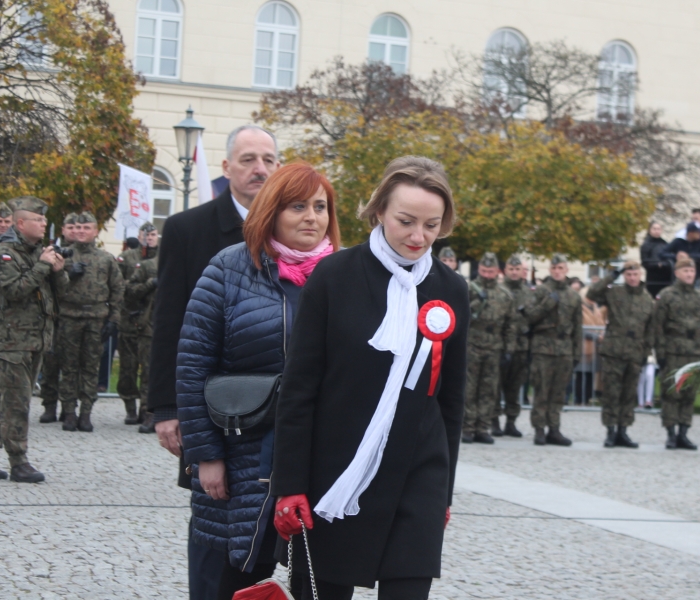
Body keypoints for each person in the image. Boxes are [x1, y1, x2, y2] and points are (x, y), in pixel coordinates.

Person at [271, 156, 468, 600]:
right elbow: (299, 390)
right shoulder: (333, 275)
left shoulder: (452, 289)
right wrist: (289, 485)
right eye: (406, 221)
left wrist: (445, 492)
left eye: (432, 225)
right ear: (379, 210)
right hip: (335, 471)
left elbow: (451, 400)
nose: (418, 237)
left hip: (418, 472)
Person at [177, 163, 338, 600]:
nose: (312, 217)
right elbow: (192, 367)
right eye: (297, 207)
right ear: (271, 211)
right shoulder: (229, 268)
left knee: (314, 582)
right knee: (236, 580)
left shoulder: (343, 276)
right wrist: (206, 455)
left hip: (317, 460)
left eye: (320, 207)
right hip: (242, 458)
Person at [147, 124, 280, 599]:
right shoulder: (188, 228)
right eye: (248, 159)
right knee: (213, 530)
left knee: (264, 541)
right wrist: (166, 408)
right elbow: (169, 322)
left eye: (268, 159)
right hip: (213, 407)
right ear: (226, 168)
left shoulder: (296, 227)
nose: (259, 169)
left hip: (276, 416)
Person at [0, 197, 68, 482]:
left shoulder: (40, 252)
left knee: (5, 401)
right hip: (11, 341)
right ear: (20, 223)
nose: (43, 224)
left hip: (36, 339)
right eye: (37, 220)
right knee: (16, 403)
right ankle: (18, 461)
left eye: (43, 220)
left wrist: (57, 270)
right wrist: (41, 266)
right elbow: (14, 290)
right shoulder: (5, 253)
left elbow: (62, 292)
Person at [56, 211, 124, 433]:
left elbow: (117, 289)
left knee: (91, 366)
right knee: (69, 366)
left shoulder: (105, 258)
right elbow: (52, 287)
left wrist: (113, 319)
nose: (81, 231)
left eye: (86, 228)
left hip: (96, 319)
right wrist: (68, 274)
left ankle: (86, 412)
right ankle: (68, 412)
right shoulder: (63, 257)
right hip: (69, 316)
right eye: (78, 227)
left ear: (95, 231)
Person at [586, 261, 653, 448]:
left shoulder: (647, 299)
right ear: (624, 276)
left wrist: (646, 353)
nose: (632, 278)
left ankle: (623, 431)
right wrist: (612, 275)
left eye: (635, 274)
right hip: (614, 351)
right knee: (611, 393)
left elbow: (650, 329)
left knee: (628, 394)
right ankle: (610, 431)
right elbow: (592, 293)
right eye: (628, 274)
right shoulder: (615, 292)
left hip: (635, 351)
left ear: (640, 275)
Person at [651, 257, 700, 450]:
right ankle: (671, 433)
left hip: (694, 352)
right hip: (673, 351)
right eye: (685, 271)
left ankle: (683, 433)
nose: (689, 274)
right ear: (677, 273)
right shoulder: (666, 296)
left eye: (692, 271)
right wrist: (660, 353)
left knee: (689, 394)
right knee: (671, 393)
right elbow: (658, 327)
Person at [524, 254, 580, 446]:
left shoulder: (573, 295)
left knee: (558, 392)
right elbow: (530, 316)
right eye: (554, 268)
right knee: (541, 390)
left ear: (566, 270)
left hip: (564, 350)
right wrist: (547, 304)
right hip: (543, 348)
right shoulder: (541, 291)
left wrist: (576, 352)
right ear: (550, 270)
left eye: (560, 268)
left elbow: (577, 327)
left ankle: (554, 429)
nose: (557, 272)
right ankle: (539, 429)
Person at [463, 252, 513, 443]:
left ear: (497, 271)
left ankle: (483, 428)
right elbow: (461, 316)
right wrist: (477, 301)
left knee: (489, 390)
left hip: (494, 348)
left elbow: (510, 325)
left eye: (490, 271)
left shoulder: (504, 295)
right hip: (472, 345)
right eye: (484, 271)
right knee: (469, 388)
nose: (486, 275)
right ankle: (467, 427)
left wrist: (509, 349)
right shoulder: (469, 289)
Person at [118, 222, 159, 425]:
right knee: (128, 368)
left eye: (152, 234)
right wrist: (148, 284)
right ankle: (130, 408)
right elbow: (120, 286)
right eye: (145, 234)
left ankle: (146, 410)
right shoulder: (127, 258)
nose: (149, 238)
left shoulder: (164, 258)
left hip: (151, 322)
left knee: (149, 369)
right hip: (129, 319)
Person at [38, 212, 77, 423]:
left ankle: (69, 407)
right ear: (63, 230)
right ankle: (49, 405)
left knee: (71, 366)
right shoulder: (48, 251)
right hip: (52, 316)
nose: (74, 231)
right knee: (50, 364)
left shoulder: (85, 253)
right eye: (70, 228)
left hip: (74, 317)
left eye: (77, 227)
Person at [499, 254, 533, 437]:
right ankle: (493, 421)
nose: (514, 272)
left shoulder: (528, 293)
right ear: (505, 270)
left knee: (515, 387)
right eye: (511, 269)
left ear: (522, 271)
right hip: (500, 346)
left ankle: (511, 422)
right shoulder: (499, 290)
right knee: (494, 386)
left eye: (517, 269)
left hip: (521, 347)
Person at [640, 221, 671, 297]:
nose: (657, 231)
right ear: (650, 230)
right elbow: (645, 262)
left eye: (658, 229)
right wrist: (657, 265)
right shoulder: (646, 245)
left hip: (666, 277)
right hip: (653, 278)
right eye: (654, 229)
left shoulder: (665, 244)